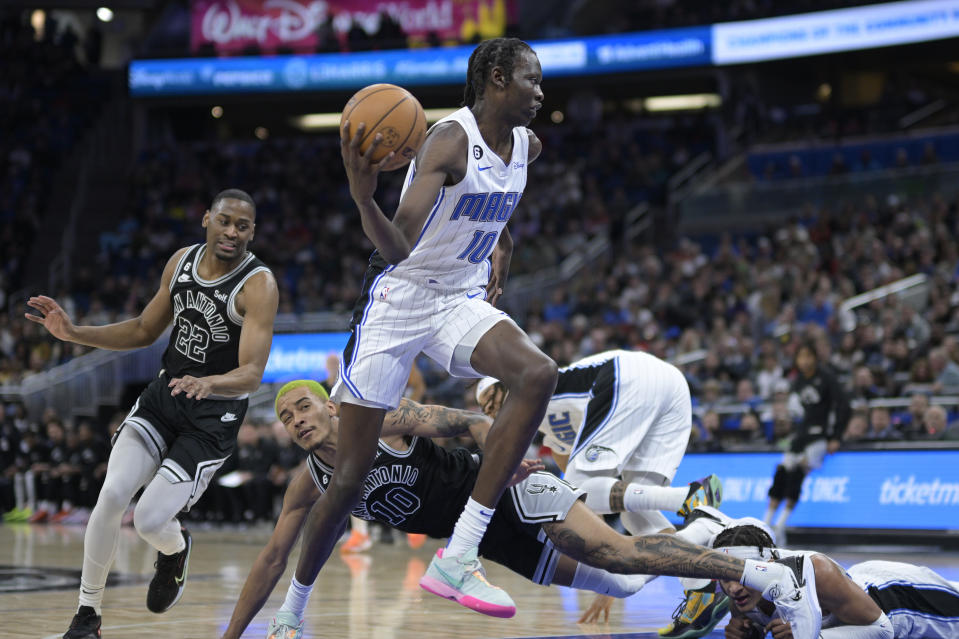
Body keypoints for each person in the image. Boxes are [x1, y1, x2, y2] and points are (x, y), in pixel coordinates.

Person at [222, 381, 823, 639]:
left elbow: (475, 421)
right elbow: (276, 556)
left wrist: (506, 464)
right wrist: (231, 634)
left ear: (330, 409)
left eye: (305, 407)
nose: (297, 420)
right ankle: (701, 527)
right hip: (491, 544)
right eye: (287, 417)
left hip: (504, 496)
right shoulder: (309, 481)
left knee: (617, 548)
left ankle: (750, 569)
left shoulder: (381, 420)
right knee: (628, 583)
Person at [298, 36, 560, 618]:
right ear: (495, 78)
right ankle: (293, 609)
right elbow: (396, 247)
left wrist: (501, 240)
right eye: (531, 80)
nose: (541, 93)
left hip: (455, 298)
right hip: (400, 299)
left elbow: (494, 201)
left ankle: (460, 552)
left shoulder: (528, 145)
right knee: (349, 478)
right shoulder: (447, 142)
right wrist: (364, 199)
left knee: (538, 374)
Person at [25, 189, 278, 639]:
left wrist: (210, 383)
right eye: (225, 221)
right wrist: (73, 333)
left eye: (242, 226)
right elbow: (144, 329)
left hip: (210, 420)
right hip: (164, 401)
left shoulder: (258, 284)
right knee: (111, 494)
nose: (232, 232)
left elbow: (253, 373)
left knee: (146, 520)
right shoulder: (180, 261)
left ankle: (175, 550)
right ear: (207, 220)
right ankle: (88, 615)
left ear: (252, 232)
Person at [477, 348, 727, 638]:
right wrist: (614, 564)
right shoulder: (553, 434)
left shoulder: (531, 391)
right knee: (636, 515)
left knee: (572, 488)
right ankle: (700, 589)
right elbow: (589, 508)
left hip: (630, 375)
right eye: (484, 408)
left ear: (505, 385)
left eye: (490, 400)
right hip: (670, 388)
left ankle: (684, 498)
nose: (489, 412)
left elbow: (576, 494)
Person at [713, 522, 959, 638]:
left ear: (765, 567)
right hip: (855, 587)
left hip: (900, 601)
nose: (733, 587)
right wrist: (748, 632)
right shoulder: (740, 593)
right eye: (726, 577)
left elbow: (883, 630)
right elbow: (760, 625)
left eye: (740, 576)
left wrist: (809, 634)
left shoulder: (816, 571)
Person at [764, 341, 849, 541]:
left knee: (798, 474)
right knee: (781, 472)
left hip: (820, 435)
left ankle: (781, 526)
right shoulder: (798, 382)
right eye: (800, 357)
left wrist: (836, 436)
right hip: (801, 435)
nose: (804, 361)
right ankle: (766, 523)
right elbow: (797, 413)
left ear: (815, 358)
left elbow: (844, 406)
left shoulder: (827, 378)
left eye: (808, 356)